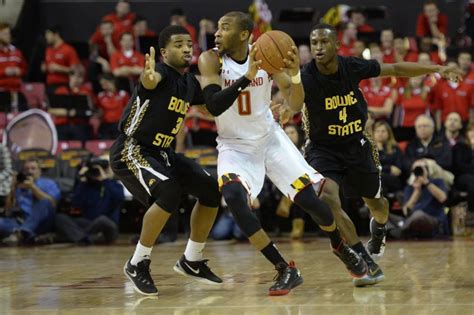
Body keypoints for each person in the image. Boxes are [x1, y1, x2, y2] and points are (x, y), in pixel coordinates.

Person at [275, 23, 461, 287]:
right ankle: (362, 259)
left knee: (378, 205)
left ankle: (380, 228)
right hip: (322, 149)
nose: (318, 48)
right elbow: (293, 103)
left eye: (324, 42)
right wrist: (284, 109)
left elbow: (396, 68)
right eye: (314, 43)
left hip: (357, 145)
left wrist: (438, 69)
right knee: (328, 197)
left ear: (337, 45)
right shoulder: (305, 75)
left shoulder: (351, 66)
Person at [198, 11, 368, 295]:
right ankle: (284, 269)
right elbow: (214, 105)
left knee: (311, 202)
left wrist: (295, 76)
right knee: (234, 200)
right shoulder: (211, 59)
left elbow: (295, 101)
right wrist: (247, 78)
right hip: (234, 145)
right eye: (217, 27)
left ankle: (340, 245)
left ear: (243, 34)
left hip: (270, 138)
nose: (217, 33)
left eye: (224, 28)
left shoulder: (265, 53)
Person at [109, 25, 222, 296]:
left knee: (210, 190)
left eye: (189, 44)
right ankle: (138, 263)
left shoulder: (189, 82)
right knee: (169, 191)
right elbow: (150, 81)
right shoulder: (159, 72)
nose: (186, 48)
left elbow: (210, 109)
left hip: (162, 153)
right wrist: (147, 77)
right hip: (132, 149)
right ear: (163, 52)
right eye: (179, 44)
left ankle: (191, 260)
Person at [55, 156, 124, 244]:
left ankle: (79, 236)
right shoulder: (86, 186)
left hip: (108, 225)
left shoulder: (115, 185)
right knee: (60, 218)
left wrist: (104, 180)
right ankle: (85, 238)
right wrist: (81, 180)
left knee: (102, 220)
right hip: (88, 223)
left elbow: (119, 199)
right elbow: (76, 204)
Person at [0, 159, 60, 245]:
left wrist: (33, 187)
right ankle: (29, 236)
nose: (29, 171)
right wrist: (13, 188)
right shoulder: (20, 186)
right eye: (26, 169)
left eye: (33, 168)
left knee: (45, 202)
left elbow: (52, 203)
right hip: (20, 222)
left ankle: (22, 234)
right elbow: (8, 210)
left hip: (42, 223)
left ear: (39, 171)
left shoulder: (49, 183)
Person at [42, 26, 81, 94]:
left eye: (48, 34)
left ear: (56, 34)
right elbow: (46, 65)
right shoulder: (48, 50)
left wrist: (60, 68)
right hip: (49, 86)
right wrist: (44, 68)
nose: (46, 37)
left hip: (62, 86)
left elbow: (76, 71)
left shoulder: (68, 49)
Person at [0, 22, 27, 110]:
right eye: (5, 34)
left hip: (16, 92)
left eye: (9, 33)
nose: (8, 36)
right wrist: (5, 72)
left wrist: (19, 71)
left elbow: (24, 69)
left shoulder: (16, 52)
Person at [373, 121, 405, 194]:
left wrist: (381, 169)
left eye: (383, 131)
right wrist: (389, 168)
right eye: (377, 131)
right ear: (373, 133)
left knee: (380, 179)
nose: (380, 133)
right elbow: (371, 167)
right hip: (375, 178)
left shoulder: (395, 149)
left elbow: (398, 169)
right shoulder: (369, 149)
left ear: (389, 133)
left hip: (392, 179)